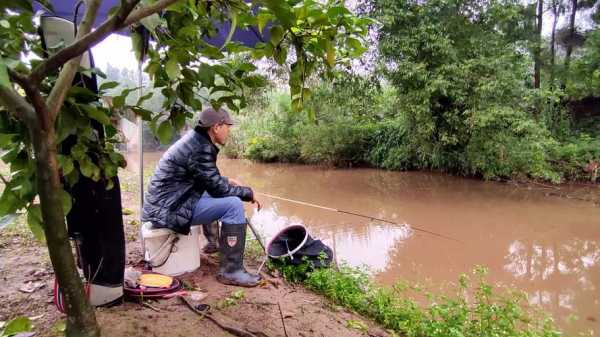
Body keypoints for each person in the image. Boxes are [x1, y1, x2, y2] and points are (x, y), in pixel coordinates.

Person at [142, 107, 262, 287]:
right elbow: (218, 189)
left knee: (211, 192)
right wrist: (249, 193)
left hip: (163, 206)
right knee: (234, 205)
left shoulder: (196, 141)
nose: (229, 131)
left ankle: (212, 243)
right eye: (228, 126)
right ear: (216, 127)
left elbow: (202, 177)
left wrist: (226, 179)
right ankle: (232, 272)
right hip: (169, 211)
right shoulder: (201, 148)